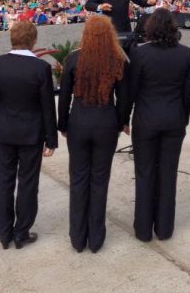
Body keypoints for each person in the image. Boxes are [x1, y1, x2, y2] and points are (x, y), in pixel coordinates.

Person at [58, 16, 129, 253]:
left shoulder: (74, 59)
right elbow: (123, 99)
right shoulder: (116, 59)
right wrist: (119, 124)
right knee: (99, 180)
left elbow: (64, 96)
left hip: (79, 120)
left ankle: (78, 238)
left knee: (78, 180)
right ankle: (96, 238)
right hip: (105, 122)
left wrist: (63, 124)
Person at [0, 21, 57, 250]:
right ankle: (21, 232)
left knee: (4, 183)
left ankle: (4, 233)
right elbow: (48, 106)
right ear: (33, 40)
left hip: (4, 132)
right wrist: (51, 140)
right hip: (30, 134)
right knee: (27, 184)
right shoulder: (40, 68)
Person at [125, 8, 190, 242]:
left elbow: (131, 91)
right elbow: (187, 93)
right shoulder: (184, 54)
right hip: (173, 119)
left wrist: (124, 118)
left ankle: (143, 229)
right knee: (168, 174)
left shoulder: (140, 54)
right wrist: (183, 119)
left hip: (147, 120)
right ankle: (164, 228)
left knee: (144, 173)